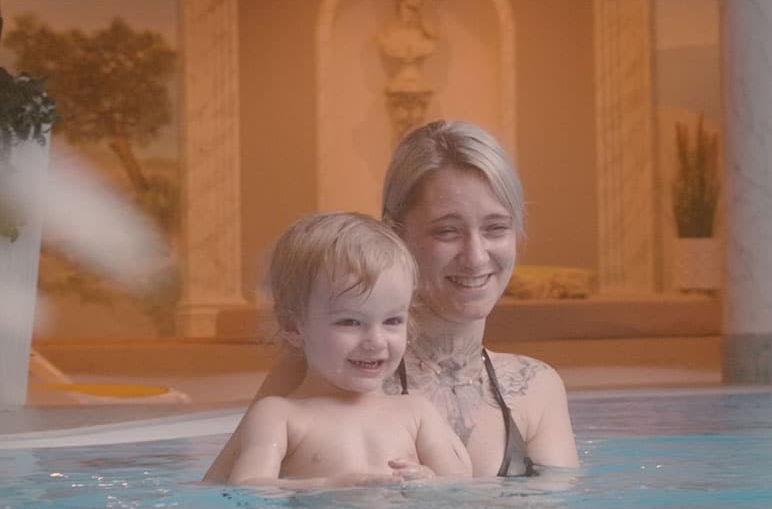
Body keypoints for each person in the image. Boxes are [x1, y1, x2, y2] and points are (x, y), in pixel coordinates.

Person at [246, 120, 580, 477]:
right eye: (447, 231)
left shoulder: (535, 386)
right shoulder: (330, 367)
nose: (476, 256)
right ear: (395, 233)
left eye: (496, 228)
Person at [201, 212, 472, 487]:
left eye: (392, 321)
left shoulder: (416, 413)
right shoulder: (280, 415)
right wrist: (330, 486)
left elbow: (461, 484)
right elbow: (250, 486)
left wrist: (429, 480)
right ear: (294, 326)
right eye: (350, 322)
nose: (376, 341)